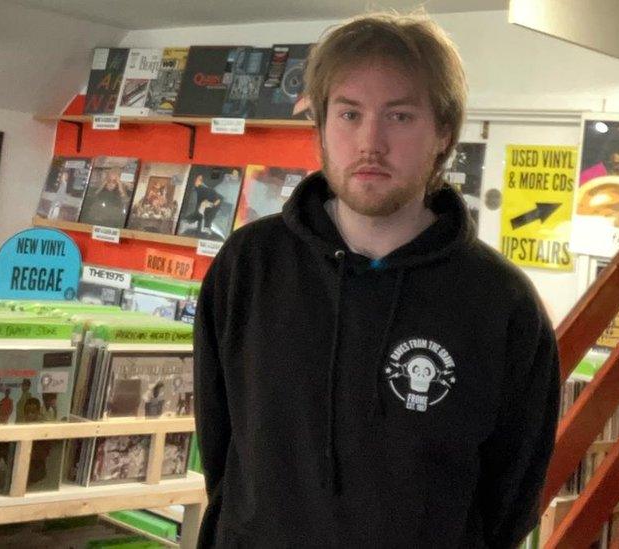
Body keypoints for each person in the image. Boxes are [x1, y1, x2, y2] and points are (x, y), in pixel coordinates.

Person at [194, 12, 560, 548]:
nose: (371, 142)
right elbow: (222, 445)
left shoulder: (501, 301)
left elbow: (512, 493)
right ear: (321, 126)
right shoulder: (249, 264)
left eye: (401, 116)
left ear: (444, 133)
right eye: (348, 114)